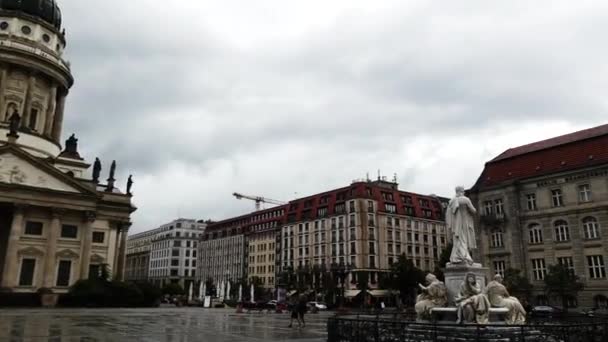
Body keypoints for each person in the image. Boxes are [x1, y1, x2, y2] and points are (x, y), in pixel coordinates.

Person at [446, 186, 478, 265]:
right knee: (464, 240)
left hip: (455, 224)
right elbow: (474, 211)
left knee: (458, 240)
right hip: (464, 223)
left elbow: (449, 215)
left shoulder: (452, 201)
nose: (464, 192)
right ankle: (464, 256)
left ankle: (456, 256)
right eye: (463, 191)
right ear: (461, 191)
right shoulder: (465, 199)